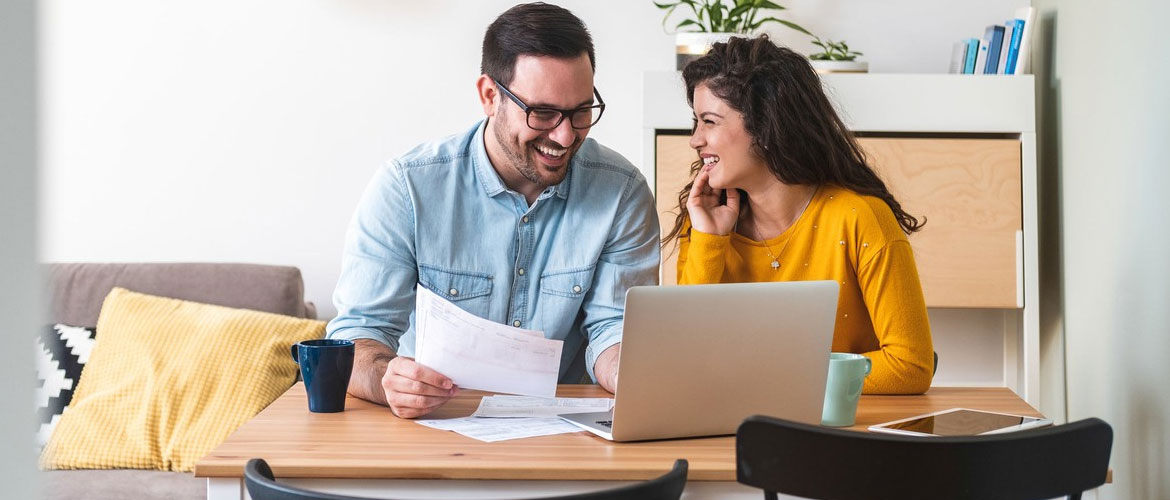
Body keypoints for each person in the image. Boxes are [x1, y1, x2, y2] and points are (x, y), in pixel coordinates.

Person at [327, 2, 660, 418]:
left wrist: (633, 373)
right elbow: (358, 337)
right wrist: (388, 379)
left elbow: (614, 329)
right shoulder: (406, 188)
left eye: (580, 112)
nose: (564, 135)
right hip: (430, 428)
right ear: (489, 95)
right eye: (542, 113)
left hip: (563, 434)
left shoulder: (622, 191)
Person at [665, 35, 933, 394]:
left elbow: (910, 365)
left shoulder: (860, 217)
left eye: (709, 122)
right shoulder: (702, 222)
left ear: (765, 126)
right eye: (695, 122)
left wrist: (778, 375)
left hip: (839, 433)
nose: (695, 140)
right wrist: (710, 242)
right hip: (731, 426)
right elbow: (684, 360)